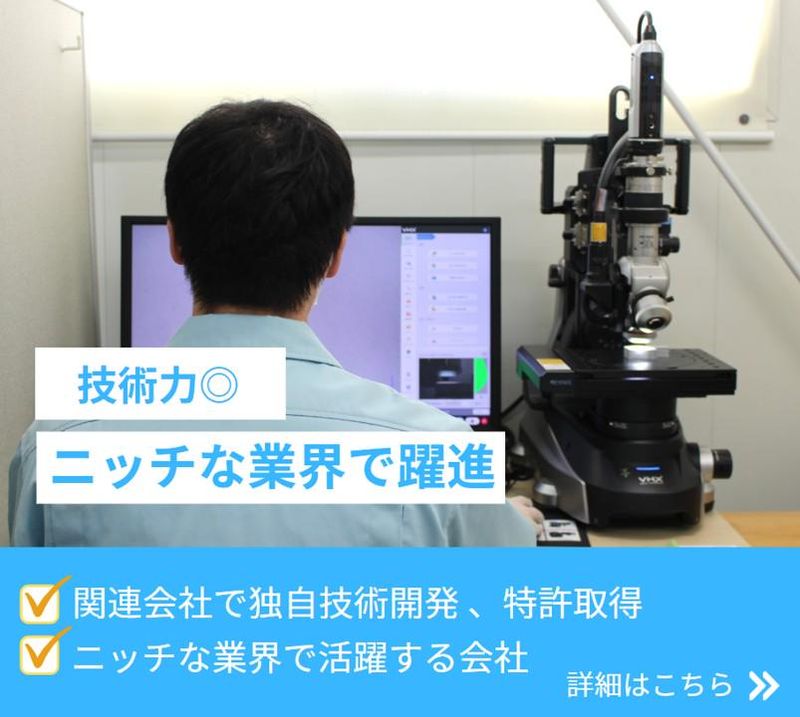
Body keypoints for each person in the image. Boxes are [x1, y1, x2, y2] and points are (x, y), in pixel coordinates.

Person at [8, 100, 538, 546]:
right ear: (336, 255)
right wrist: (506, 520)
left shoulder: (54, 445)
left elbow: (42, 625)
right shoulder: (439, 455)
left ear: (174, 242)